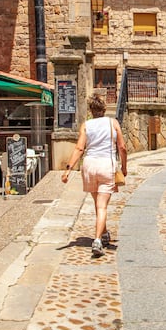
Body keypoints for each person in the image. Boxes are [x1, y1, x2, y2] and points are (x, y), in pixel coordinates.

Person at [61, 94, 127, 258]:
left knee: (98, 204)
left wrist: (68, 169)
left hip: (89, 166)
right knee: (102, 206)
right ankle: (97, 240)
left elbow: (79, 148)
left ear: (91, 110)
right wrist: (124, 167)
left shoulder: (86, 125)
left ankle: (104, 234)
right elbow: (122, 147)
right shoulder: (113, 123)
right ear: (104, 109)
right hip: (106, 166)